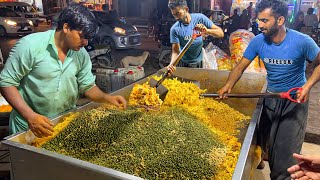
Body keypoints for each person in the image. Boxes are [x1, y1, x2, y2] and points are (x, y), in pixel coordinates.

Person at [217, 0, 320, 179]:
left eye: (264, 20)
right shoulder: (258, 41)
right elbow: (240, 67)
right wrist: (228, 86)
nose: (259, 24)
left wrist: (307, 86)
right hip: (271, 98)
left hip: (294, 101)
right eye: (258, 20)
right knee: (269, 147)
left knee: (285, 159)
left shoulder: (302, 41)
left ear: (280, 20)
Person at [0, 3, 127, 138]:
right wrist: (30, 116)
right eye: (82, 36)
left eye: (88, 38)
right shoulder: (30, 46)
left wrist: (107, 98)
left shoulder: (81, 54)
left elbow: (87, 86)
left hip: (63, 124)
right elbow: (6, 82)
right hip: (28, 126)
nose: (86, 42)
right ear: (66, 27)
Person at [166, 0, 224, 72]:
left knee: (196, 82)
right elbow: (175, 52)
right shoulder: (175, 29)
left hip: (199, 62)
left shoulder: (200, 18)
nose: (176, 18)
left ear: (186, 9)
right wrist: (171, 65)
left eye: (178, 13)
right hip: (183, 63)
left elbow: (221, 33)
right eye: (174, 15)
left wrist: (206, 31)